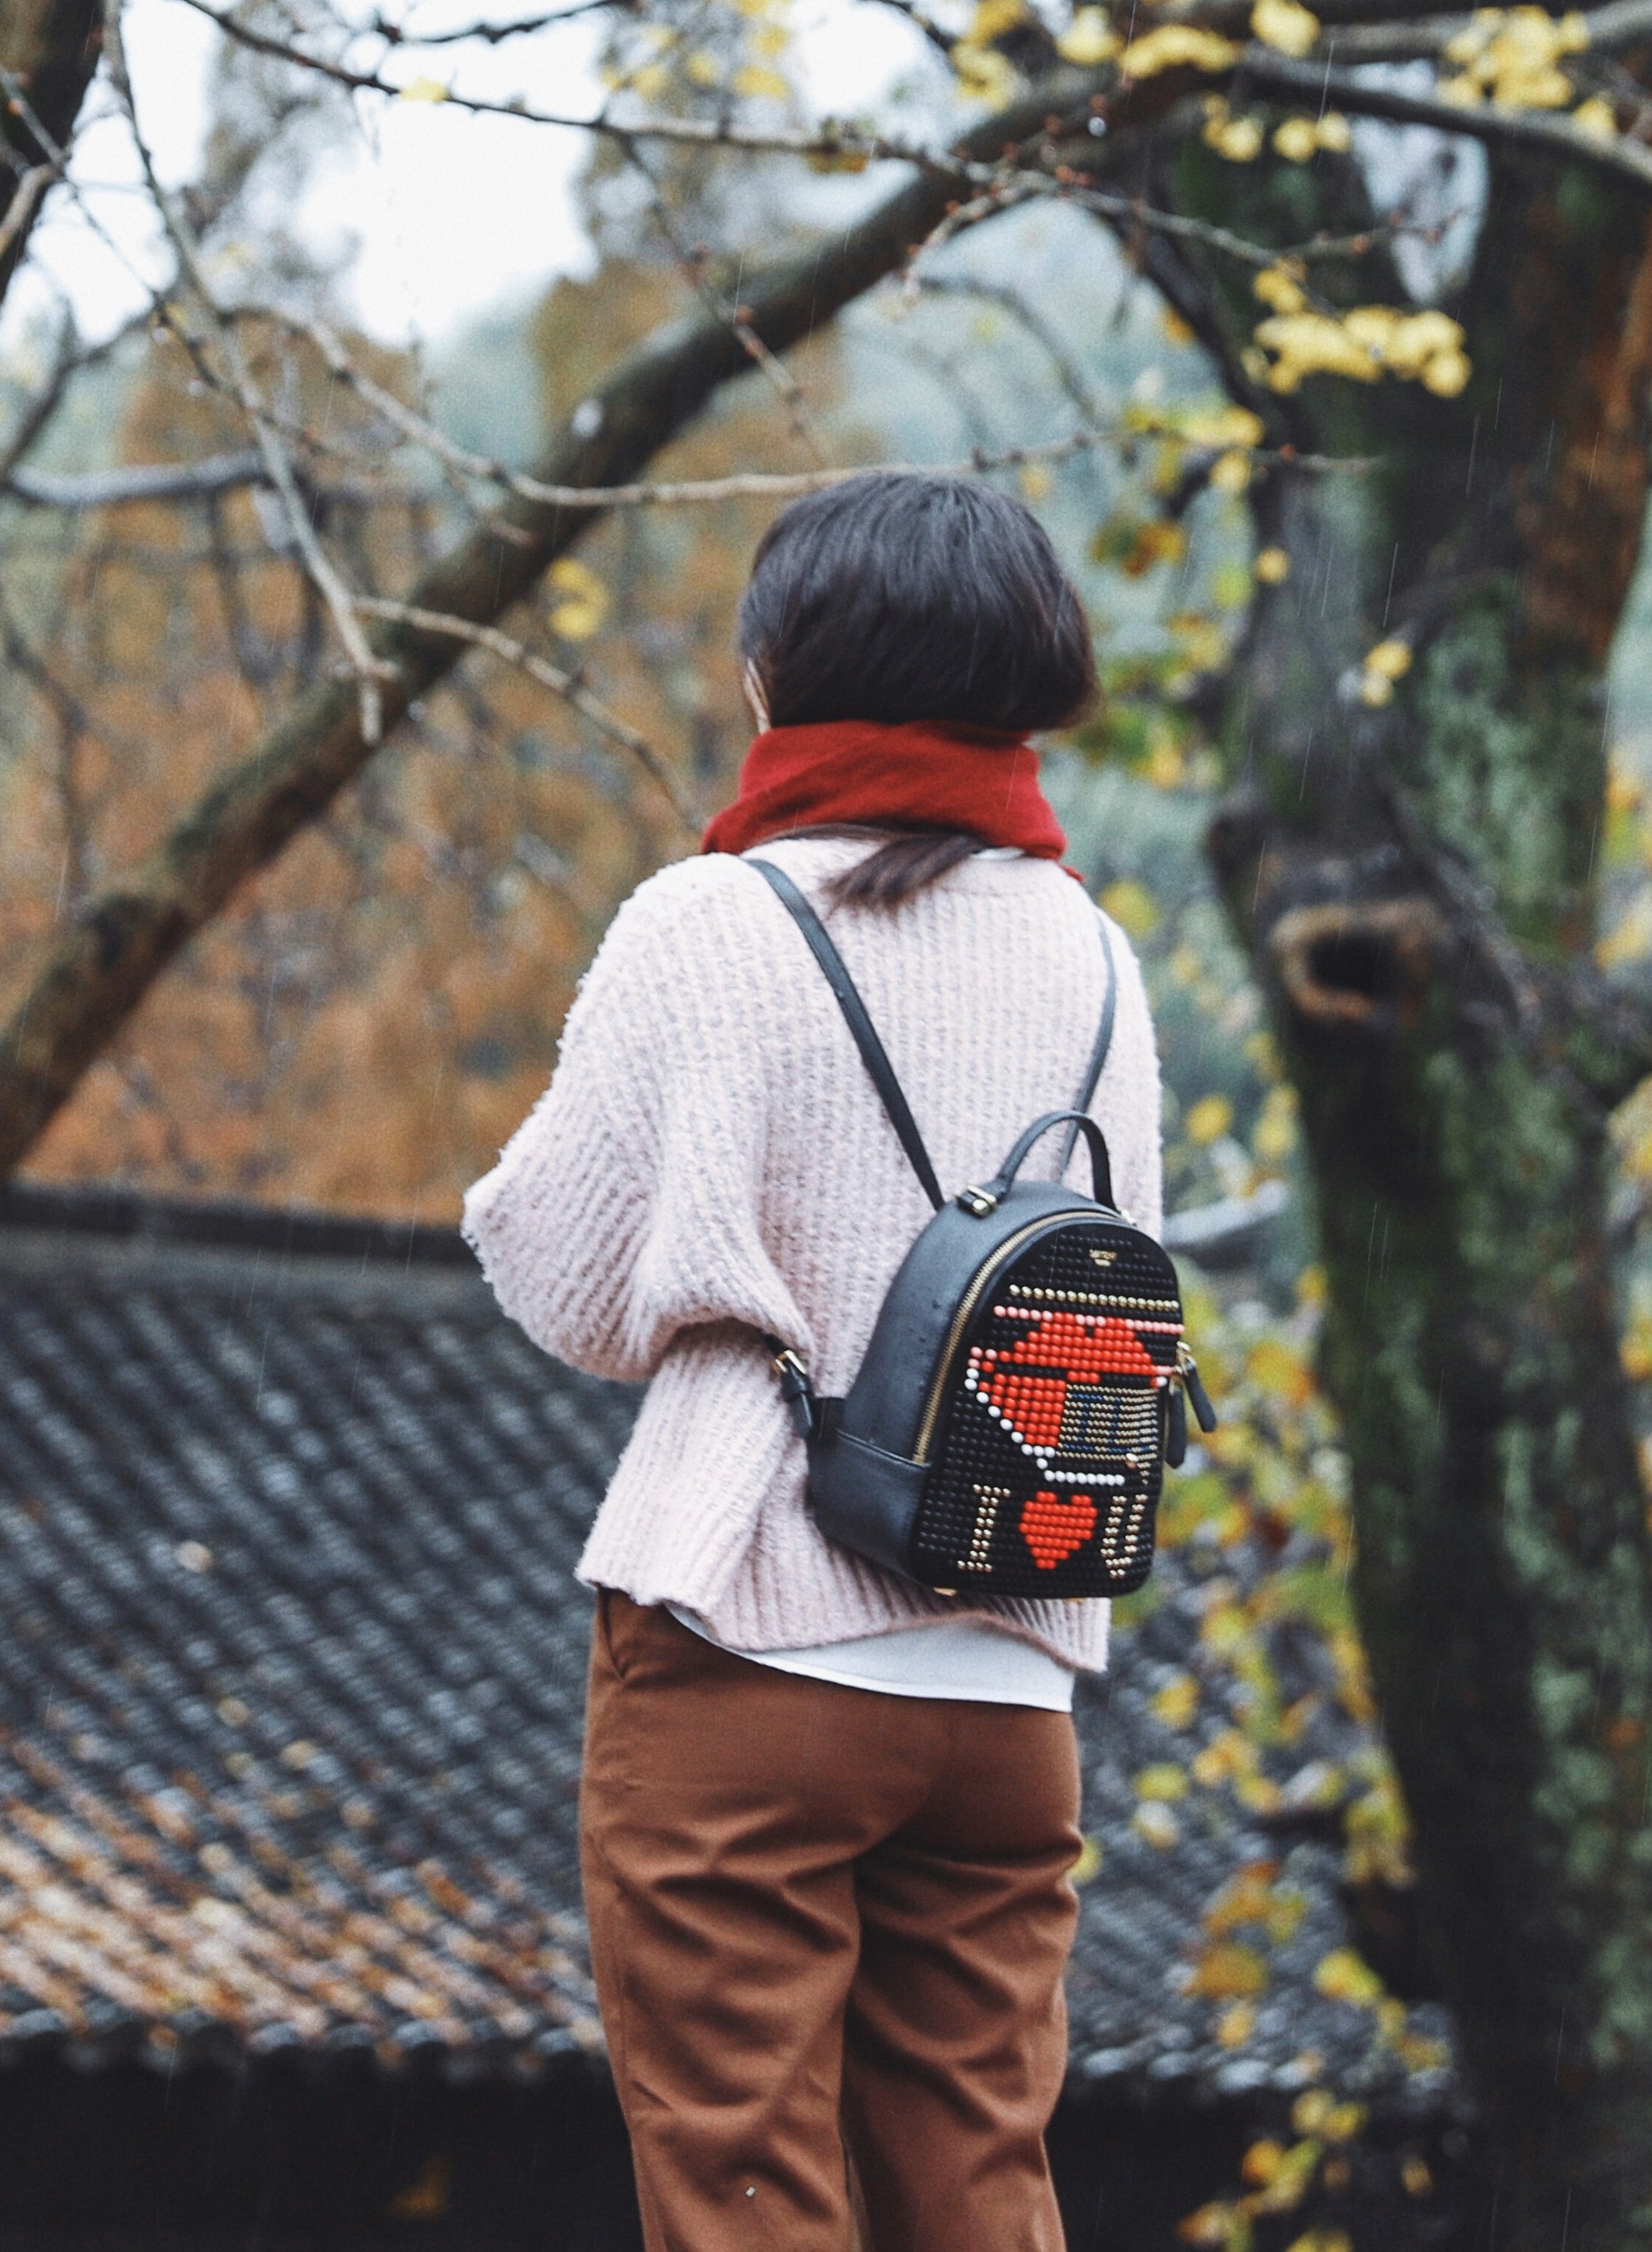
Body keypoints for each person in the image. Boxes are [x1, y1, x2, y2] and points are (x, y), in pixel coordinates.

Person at [464, 467, 1162, 2250]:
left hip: (751, 1639)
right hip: (1010, 1672)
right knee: (981, 2192)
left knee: (747, 2180)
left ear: (786, 673)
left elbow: (566, 1267)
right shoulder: (1095, 956)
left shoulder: (714, 922)